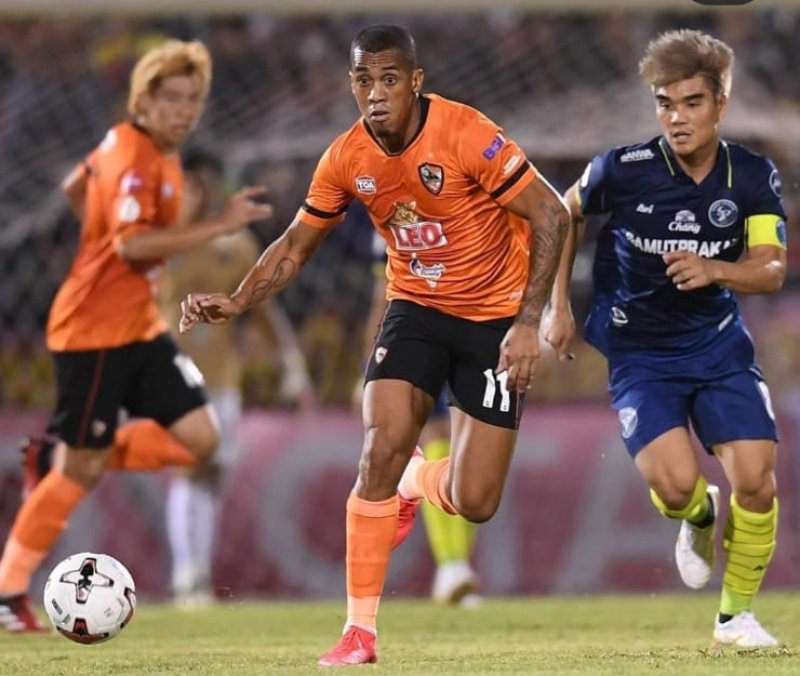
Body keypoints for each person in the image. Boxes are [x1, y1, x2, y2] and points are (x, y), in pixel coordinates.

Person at [180, 25, 570, 666]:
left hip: (494, 318)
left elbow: (551, 213)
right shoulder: (345, 158)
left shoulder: (467, 133)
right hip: (414, 309)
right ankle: (359, 633)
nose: (377, 93)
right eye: (365, 80)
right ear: (352, 85)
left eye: (390, 79)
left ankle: (417, 481)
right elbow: (294, 245)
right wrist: (239, 301)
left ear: (416, 82)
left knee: (475, 501)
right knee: (379, 446)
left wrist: (530, 322)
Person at [0, 39, 272, 633]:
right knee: (80, 473)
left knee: (202, 439)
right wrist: (214, 227)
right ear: (142, 100)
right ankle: (8, 592)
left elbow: (77, 188)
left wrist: (97, 229)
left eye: (192, 99)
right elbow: (128, 246)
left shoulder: (149, 154)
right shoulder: (135, 154)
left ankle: (60, 452)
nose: (183, 110)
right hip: (92, 333)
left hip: (138, 329)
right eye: (170, 98)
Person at [553, 29, 787, 649]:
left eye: (691, 103)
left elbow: (770, 266)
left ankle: (735, 618)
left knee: (759, 481)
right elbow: (561, 215)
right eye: (665, 104)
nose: (676, 118)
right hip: (639, 354)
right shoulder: (622, 169)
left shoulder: (752, 178)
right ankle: (698, 516)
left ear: (720, 105)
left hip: (716, 347)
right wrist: (553, 307)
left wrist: (716, 269)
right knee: (678, 487)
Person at [159, 148, 314, 605]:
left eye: (207, 182)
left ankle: (195, 575)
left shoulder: (238, 244)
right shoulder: (159, 241)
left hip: (224, 377)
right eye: (192, 183)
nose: (202, 192)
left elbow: (262, 311)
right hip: (170, 372)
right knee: (192, 469)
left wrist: (291, 365)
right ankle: (187, 575)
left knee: (212, 474)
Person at [355, 233, 481, 607]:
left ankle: (455, 565)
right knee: (442, 434)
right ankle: (453, 565)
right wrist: (369, 366)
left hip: (478, 327)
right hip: (421, 332)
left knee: (473, 452)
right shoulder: (395, 214)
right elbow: (385, 292)